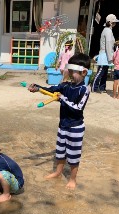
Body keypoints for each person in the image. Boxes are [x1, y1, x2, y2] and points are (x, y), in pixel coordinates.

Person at [28, 53, 91, 189]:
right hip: (63, 126)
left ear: (84, 72)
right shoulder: (66, 85)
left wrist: (63, 99)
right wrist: (38, 88)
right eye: (70, 71)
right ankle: (58, 172)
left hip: (75, 128)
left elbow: (78, 108)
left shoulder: (84, 89)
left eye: (74, 72)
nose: (70, 74)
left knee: (73, 156)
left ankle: (73, 179)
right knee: (60, 151)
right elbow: (51, 89)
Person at [92, 14, 119, 93]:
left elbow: (110, 43)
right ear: (110, 22)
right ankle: (95, 87)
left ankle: (102, 87)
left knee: (105, 73)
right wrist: (111, 57)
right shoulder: (107, 31)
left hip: (107, 54)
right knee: (101, 72)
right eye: (114, 22)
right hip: (105, 54)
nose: (115, 24)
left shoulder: (109, 30)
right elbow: (107, 44)